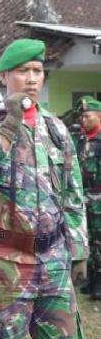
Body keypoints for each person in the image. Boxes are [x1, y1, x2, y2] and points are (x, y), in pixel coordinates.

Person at [0, 38, 88, 339]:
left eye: (37, 70)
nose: (32, 78)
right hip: (7, 259)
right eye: (23, 71)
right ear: (4, 76)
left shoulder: (56, 128)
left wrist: (78, 250)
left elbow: (73, 193)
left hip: (53, 257)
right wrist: (11, 122)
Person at [75, 97, 101, 300]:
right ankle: (91, 280)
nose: (83, 120)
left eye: (87, 116)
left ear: (99, 116)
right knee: (89, 239)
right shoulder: (81, 139)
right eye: (82, 116)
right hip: (85, 197)